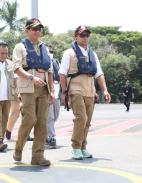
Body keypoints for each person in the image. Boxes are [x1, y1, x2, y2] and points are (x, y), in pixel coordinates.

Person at [59, 25, 111, 160]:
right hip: (75, 89)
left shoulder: (93, 54)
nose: (85, 37)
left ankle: (83, 147)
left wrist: (105, 90)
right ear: (76, 36)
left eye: (87, 35)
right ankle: (76, 147)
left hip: (90, 90)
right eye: (82, 35)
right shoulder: (68, 53)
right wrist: (64, 92)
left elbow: (99, 73)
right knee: (81, 118)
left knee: (87, 121)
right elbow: (62, 74)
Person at [11, 18, 55, 166]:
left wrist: (52, 91)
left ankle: (38, 156)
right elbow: (16, 68)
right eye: (34, 29)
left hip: (43, 88)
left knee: (42, 122)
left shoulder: (45, 48)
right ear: (27, 30)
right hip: (27, 87)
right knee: (30, 119)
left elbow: (49, 70)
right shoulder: (20, 47)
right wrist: (31, 77)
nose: (37, 31)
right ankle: (18, 148)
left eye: (39, 29)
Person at [46, 45, 61, 149]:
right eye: (48, 51)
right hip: (47, 90)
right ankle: (51, 137)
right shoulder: (43, 62)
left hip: (57, 90)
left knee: (56, 114)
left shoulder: (56, 61)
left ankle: (45, 133)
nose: (50, 53)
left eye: (51, 51)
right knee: (50, 116)